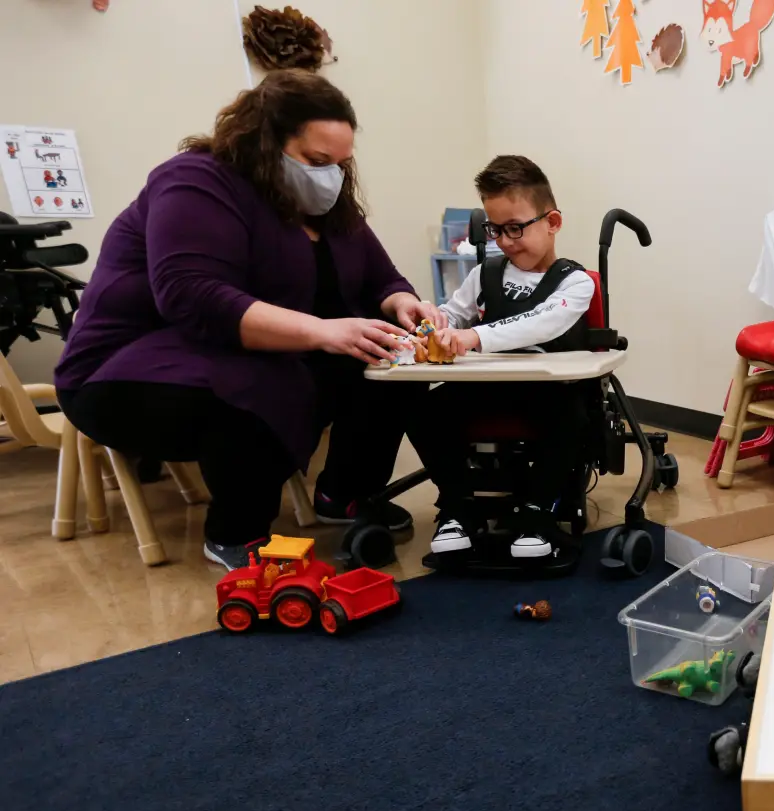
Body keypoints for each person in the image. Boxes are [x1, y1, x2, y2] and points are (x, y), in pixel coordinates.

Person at [53, 71, 444, 569]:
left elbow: (380, 278)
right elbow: (192, 296)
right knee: (265, 379)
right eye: (317, 162)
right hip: (120, 371)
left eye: (341, 164)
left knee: (393, 361)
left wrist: (400, 302)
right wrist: (323, 331)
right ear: (265, 142)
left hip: (239, 353)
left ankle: (343, 495)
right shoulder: (194, 181)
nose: (331, 176)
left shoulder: (327, 207)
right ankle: (236, 532)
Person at [403, 155, 597, 559]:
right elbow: (454, 313)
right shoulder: (484, 276)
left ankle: (537, 510)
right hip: (488, 388)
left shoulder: (574, 282)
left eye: (515, 228)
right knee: (421, 405)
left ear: (553, 222)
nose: (505, 241)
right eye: (496, 230)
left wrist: (472, 336)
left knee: (574, 414)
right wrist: (433, 323)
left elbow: (540, 323)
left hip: (550, 393)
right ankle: (458, 506)